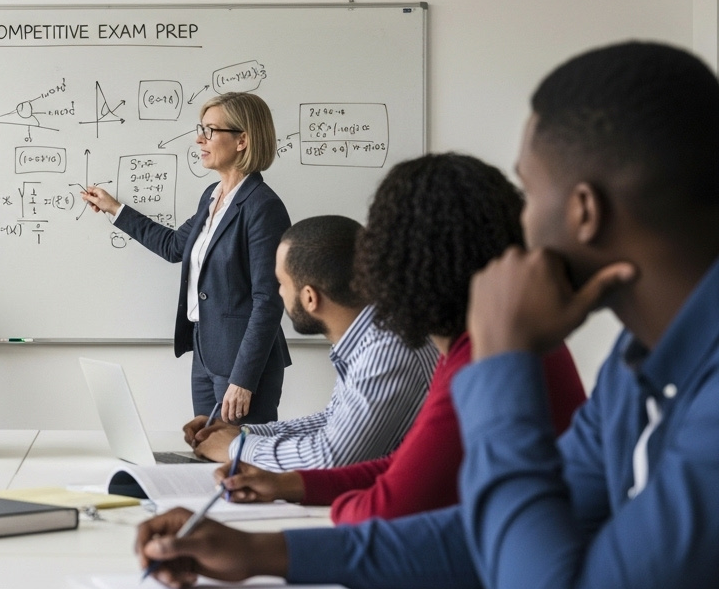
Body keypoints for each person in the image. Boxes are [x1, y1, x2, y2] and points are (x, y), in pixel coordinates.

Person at [135, 41, 719, 589]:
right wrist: (263, 555)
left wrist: (500, 365)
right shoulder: (639, 363)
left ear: (583, 211)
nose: (513, 230)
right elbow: (492, 534)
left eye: (527, 193)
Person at [214, 153, 586, 523]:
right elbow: (403, 466)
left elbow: (385, 502)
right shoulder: (482, 343)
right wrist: (289, 484)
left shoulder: (483, 354)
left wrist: (275, 533)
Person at [82, 92, 291, 424]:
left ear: (242, 140)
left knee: (239, 467)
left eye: (210, 130)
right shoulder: (212, 196)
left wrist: (243, 379)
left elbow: (268, 300)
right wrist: (114, 209)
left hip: (241, 366)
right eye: (201, 129)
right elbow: (173, 246)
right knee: (206, 459)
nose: (199, 139)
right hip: (205, 355)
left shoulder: (262, 206)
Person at [186, 215, 437, 466]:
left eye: (281, 284)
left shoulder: (387, 351)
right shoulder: (370, 338)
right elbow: (331, 420)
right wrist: (243, 433)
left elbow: (330, 457)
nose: (278, 293)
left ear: (309, 298)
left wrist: (236, 447)